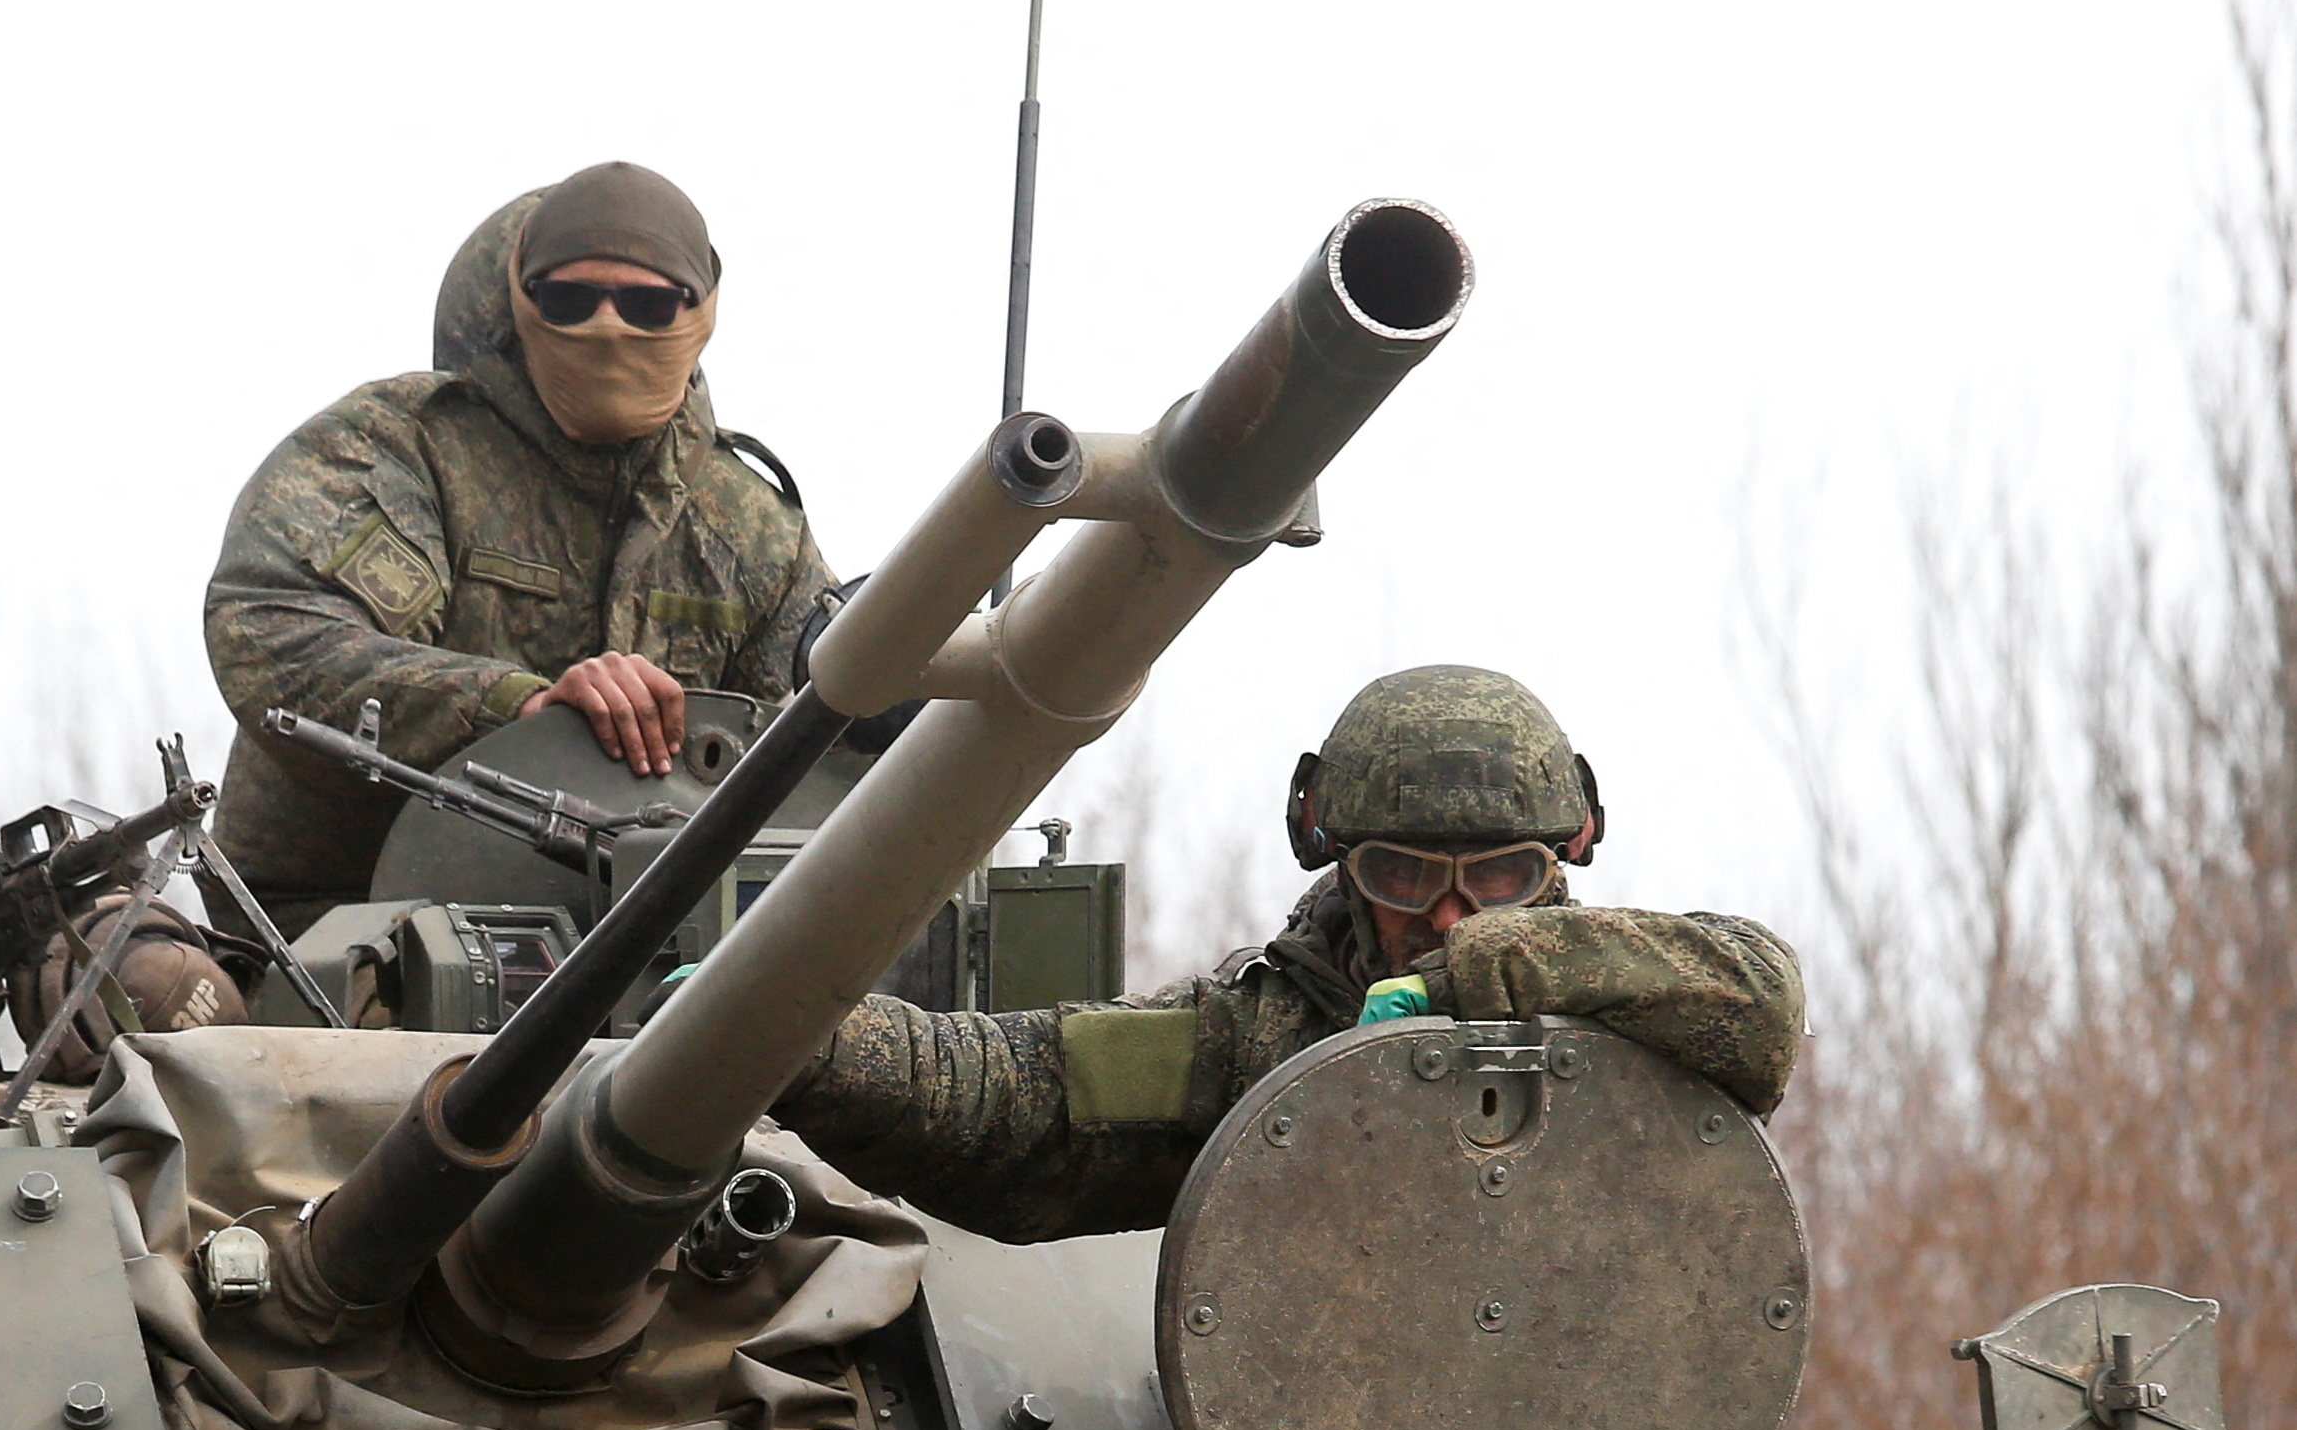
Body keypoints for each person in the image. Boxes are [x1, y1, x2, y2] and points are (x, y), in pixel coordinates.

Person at [769, 665, 1807, 1244]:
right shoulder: (1258, 1043)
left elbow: (1761, 1001)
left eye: (1495, 877)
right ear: (1333, 853)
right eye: (1403, 876)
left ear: (1568, 851)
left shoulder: (1632, 1001)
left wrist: (1489, 972)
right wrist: (780, 1035)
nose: (1449, 917)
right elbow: (1010, 1096)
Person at [204, 162, 834, 931]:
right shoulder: (399, 452)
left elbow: (818, 743)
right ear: (520, 303)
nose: (608, 327)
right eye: (570, 301)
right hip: (336, 923)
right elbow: (271, 632)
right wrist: (517, 711)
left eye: (645, 305)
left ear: (698, 314)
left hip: (655, 955)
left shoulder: (751, 529)